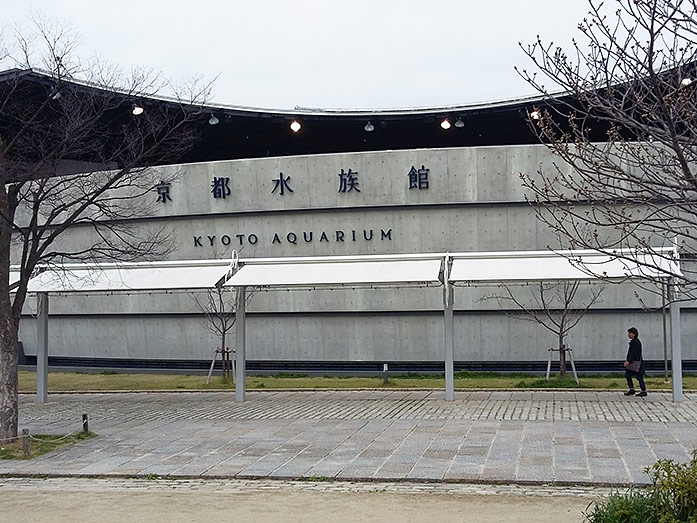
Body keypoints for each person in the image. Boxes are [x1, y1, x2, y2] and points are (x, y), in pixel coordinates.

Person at [624, 327, 647, 397]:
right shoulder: (634, 341)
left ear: (634, 334)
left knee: (638, 376)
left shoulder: (635, 342)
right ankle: (632, 389)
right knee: (629, 375)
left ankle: (643, 390)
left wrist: (628, 361)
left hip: (636, 363)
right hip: (634, 362)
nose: (629, 334)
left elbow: (634, 353)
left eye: (630, 333)